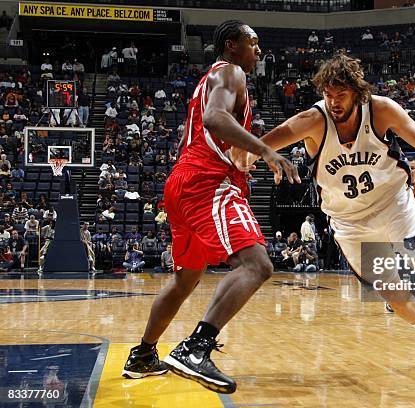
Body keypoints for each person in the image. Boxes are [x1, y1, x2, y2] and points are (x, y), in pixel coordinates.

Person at [232, 53, 415, 370]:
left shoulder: (382, 110)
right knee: (392, 294)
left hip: (393, 203)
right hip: (350, 222)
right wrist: (253, 155)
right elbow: (267, 142)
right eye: (328, 95)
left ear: (357, 93)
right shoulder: (314, 120)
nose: (333, 103)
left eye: (340, 95)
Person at [122, 20, 298, 394]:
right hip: (207, 182)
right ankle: (196, 348)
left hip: (183, 182)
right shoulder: (231, 72)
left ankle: (143, 356)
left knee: (185, 279)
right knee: (257, 265)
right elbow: (214, 119)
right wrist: (266, 149)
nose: (259, 51)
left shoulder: (212, 79)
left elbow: (217, 131)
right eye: (253, 42)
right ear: (232, 45)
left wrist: (245, 154)